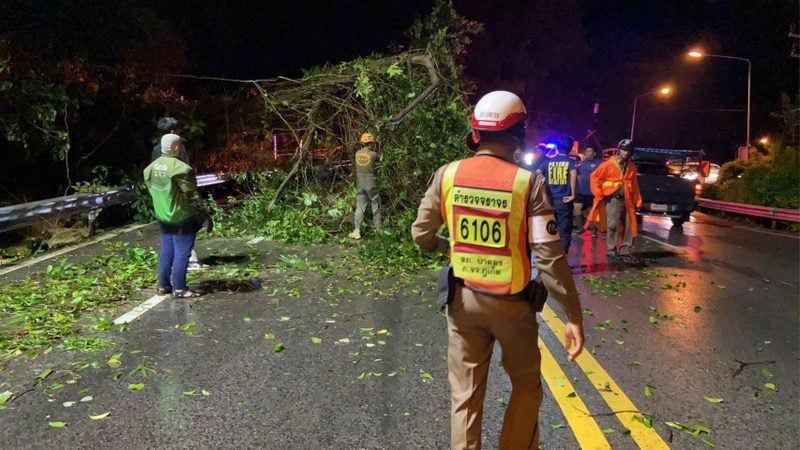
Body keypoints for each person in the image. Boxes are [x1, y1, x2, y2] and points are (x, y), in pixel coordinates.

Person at [411, 90, 584, 449]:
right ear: (519, 135)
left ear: (475, 134)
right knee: (525, 386)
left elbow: (422, 235)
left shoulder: (448, 175)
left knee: (465, 396)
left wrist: (454, 247)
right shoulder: (527, 182)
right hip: (513, 307)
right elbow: (549, 257)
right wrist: (573, 314)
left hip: (463, 302)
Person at [143, 134, 206, 298]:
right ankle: (179, 288)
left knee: (166, 250)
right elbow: (192, 194)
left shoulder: (150, 169)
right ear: (176, 147)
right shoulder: (182, 169)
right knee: (182, 252)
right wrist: (203, 214)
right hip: (181, 216)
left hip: (162, 215)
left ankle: (163, 286)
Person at [151, 117, 206, 270]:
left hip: (162, 201)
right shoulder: (178, 149)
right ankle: (186, 265)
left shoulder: (156, 150)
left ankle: (166, 276)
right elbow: (185, 174)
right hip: (178, 198)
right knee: (186, 231)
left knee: (168, 237)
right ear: (173, 132)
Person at [587, 139, 642, 259]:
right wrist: (599, 194)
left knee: (629, 225)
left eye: (628, 151)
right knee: (613, 224)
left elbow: (634, 184)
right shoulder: (608, 164)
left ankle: (625, 250)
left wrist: (638, 199)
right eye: (624, 150)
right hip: (614, 199)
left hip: (628, 199)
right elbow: (594, 177)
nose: (626, 153)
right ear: (619, 150)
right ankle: (611, 249)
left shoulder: (631, 166)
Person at [536, 135, 578, 254]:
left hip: (549, 200)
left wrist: (543, 193)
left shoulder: (548, 162)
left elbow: (537, 174)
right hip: (564, 201)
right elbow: (574, 176)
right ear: (570, 149)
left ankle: (549, 254)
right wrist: (573, 195)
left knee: (549, 227)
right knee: (564, 229)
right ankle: (562, 257)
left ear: (557, 148)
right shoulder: (571, 163)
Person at [348, 132, 381, 239]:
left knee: (360, 207)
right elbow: (379, 163)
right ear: (371, 143)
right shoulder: (373, 154)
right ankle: (378, 231)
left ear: (362, 143)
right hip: (371, 182)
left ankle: (357, 231)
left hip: (360, 182)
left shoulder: (357, 153)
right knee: (375, 205)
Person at [575, 146, 601, 237]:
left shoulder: (599, 163)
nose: (586, 153)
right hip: (581, 192)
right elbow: (578, 175)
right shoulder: (582, 163)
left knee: (592, 212)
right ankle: (580, 228)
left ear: (594, 153)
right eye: (586, 151)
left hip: (592, 193)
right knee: (576, 208)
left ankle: (594, 232)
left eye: (589, 151)